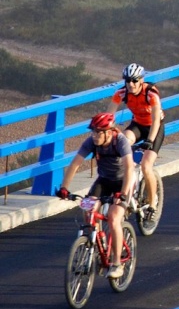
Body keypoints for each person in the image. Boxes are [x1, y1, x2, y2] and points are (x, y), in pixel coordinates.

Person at [56, 113, 134, 279]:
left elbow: (129, 169)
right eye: (93, 131)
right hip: (104, 180)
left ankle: (116, 263)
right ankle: (97, 242)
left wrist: (123, 194)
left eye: (99, 132)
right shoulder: (91, 142)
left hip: (122, 182)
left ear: (109, 132)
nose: (95, 135)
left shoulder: (120, 141)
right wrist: (64, 188)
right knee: (88, 210)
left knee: (113, 218)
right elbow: (75, 164)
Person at [107, 63, 164, 222]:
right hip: (137, 125)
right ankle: (127, 191)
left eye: (134, 81)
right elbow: (109, 117)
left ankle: (152, 203)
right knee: (122, 146)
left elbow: (155, 122)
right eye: (127, 80)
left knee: (146, 166)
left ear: (141, 80)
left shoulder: (151, 94)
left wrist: (150, 141)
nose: (130, 84)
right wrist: (106, 136)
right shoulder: (121, 93)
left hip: (154, 128)